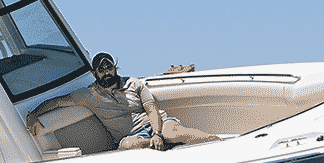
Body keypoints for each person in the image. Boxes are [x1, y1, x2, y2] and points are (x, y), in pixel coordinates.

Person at [25, 52, 219, 150]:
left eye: (109, 68)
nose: (106, 72)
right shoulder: (88, 95)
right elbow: (57, 102)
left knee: (178, 133)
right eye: (101, 70)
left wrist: (157, 133)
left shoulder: (134, 84)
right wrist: (33, 114)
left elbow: (152, 109)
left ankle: (217, 143)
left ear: (115, 68)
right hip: (134, 136)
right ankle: (160, 143)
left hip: (157, 125)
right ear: (95, 73)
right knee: (126, 146)